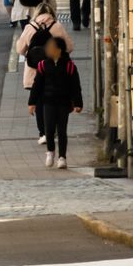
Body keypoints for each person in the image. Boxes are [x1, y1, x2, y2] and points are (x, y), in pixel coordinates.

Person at [16, 3, 73, 144]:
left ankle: (43, 132)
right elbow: (69, 47)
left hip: (34, 72)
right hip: (54, 71)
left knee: (39, 102)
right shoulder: (57, 26)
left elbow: (20, 49)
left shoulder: (30, 27)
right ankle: (52, 131)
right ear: (51, 13)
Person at [28, 36, 83, 169]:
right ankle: (51, 151)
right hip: (48, 102)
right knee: (49, 129)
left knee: (62, 130)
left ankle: (62, 157)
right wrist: (32, 102)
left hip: (64, 102)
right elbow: (37, 85)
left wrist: (78, 103)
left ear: (59, 50)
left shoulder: (69, 66)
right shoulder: (43, 65)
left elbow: (76, 86)